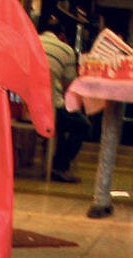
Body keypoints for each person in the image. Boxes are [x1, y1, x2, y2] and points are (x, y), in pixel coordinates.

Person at [39, 11, 88, 184]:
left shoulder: (30, 43)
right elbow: (70, 86)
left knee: (61, 117)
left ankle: (45, 160)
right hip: (50, 110)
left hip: (23, 109)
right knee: (82, 125)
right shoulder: (65, 50)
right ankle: (60, 166)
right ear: (61, 36)